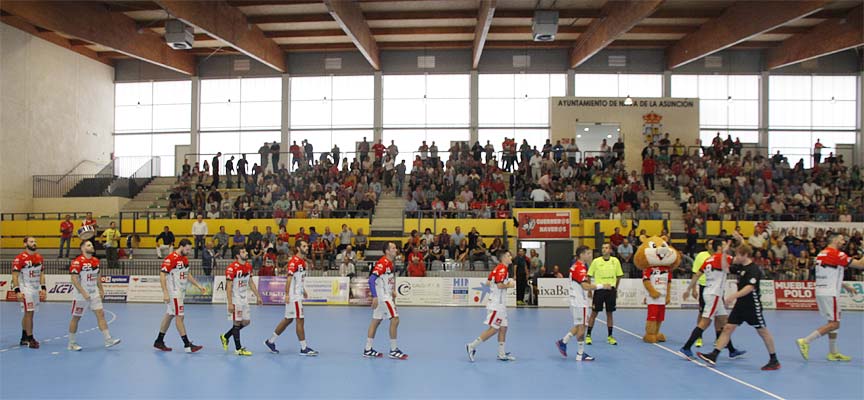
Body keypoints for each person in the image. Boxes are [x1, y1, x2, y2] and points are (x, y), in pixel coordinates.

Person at [697, 244, 780, 371]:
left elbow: (749, 287)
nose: (735, 257)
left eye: (738, 255)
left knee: (762, 331)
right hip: (740, 305)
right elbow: (726, 268)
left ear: (745, 255)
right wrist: (724, 253)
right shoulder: (741, 267)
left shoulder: (754, 269)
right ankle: (714, 355)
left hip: (752, 305)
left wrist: (733, 296)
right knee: (728, 328)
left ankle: (774, 360)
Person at [796, 233, 864, 361]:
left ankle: (833, 352)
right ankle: (805, 341)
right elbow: (861, 264)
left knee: (833, 321)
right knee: (834, 324)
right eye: (841, 238)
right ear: (834, 240)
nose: (844, 241)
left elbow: (830, 272)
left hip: (823, 291)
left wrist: (844, 286)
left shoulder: (823, 253)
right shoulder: (836, 254)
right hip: (830, 293)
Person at [679, 240, 744, 359]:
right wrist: (741, 241)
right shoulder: (722, 257)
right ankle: (686, 348)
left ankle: (731, 350)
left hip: (710, 293)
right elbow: (741, 258)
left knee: (723, 322)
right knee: (705, 322)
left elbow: (697, 274)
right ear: (719, 247)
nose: (726, 246)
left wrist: (688, 289)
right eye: (724, 244)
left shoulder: (708, 260)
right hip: (714, 294)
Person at [265, 240, 319, 356]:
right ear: (298, 248)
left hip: (297, 294)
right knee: (300, 320)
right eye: (304, 246)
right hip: (294, 297)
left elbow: (298, 279)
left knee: (288, 319)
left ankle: (270, 341)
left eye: (307, 245)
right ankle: (304, 348)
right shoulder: (294, 262)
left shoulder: (302, 262)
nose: (307, 247)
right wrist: (287, 294)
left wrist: (303, 290)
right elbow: (289, 278)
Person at [153, 239, 207, 353]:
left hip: (180, 292)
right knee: (180, 317)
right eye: (187, 249)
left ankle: (159, 340)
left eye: (190, 249)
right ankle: (187, 345)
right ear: (181, 246)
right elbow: (162, 275)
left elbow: (187, 274)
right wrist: (165, 292)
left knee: (170, 315)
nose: (189, 251)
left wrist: (198, 285)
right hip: (174, 293)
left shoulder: (185, 259)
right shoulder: (171, 258)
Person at [66, 241, 122, 351]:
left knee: (100, 314)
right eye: (88, 245)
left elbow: (98, 276)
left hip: (94, 293)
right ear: (82, 248)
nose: (91, 246)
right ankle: (71, 343)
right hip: (81, 295)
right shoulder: (77, 262)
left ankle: (108, 339)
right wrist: (83, 292)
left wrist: (101, 289)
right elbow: (74, 279)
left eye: (91, 245)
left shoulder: (95, 261)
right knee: (76, 318)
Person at [555, 246, 605, 361]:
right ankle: (580, 354)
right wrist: (602, 286)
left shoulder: (575, 265)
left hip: (575, 300)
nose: (590, 255)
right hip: (579, 302)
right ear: (581, 255)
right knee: (582, 327)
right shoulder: (580, 268)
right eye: (588, 253)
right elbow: (585, 286)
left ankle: (563, 341)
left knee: (579, 324)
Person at [466, 250, 516, 362]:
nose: (511, 258)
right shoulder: (502, 269)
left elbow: (488, 282)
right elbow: (499, 286)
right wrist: (510, 284)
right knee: (494, 329)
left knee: (503, 328)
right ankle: (472, 346)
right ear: (503, 258)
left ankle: (501, 354)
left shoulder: (497, 269)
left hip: (500, 304)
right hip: (496, 305)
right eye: (508, 256)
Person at [363, 242, 407, 359]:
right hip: (383, 297)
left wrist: (391, 290)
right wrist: (375, 296)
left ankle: (368, 349)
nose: (396, 249)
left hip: (386, 294)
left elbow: (385, 280)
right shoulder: (383, 262)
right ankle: (393, 350)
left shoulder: (390, 264)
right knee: (395, 319)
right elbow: (372, 280)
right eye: (393, 248)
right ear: (387, 251)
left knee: (376, 321)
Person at [219, 248, 262, 356]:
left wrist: (258, 296)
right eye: (243, 252)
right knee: (237, 322)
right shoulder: (231, 268)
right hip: (235, 299)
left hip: (244, 298)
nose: (247, 253)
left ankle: (225, 336)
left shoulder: (248, 266)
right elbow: (228, 287)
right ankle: (238, 349)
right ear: (237, 256)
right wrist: (230, 303)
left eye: (246, 251)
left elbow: (251, 283)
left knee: (246, 321)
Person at [585, 243, 623, 345]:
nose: (604, 250)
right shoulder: (596, 262)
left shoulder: (615, 261)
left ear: (610, 250)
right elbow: (588, 276)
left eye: (606, 248)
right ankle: (588, 335)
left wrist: (615, 288)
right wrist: (589, 290)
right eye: (602, 248)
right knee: (594, 313)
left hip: (611, 290)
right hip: (599, 290)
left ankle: (610, 336)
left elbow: (619, 276)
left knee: (609, 313)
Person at [12, 237, 46, 348]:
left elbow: (41, 274)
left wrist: (43, 288)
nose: (34, 243)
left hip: (35, 289)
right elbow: (15, 276)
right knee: (29, 313)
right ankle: (31, 339)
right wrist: (17, 290)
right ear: (25, 244)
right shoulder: (20, 258)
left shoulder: (39, 257)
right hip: (26, 289)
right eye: (31, 241)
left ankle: (23, 337)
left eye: (35, 241)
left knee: (29, 313)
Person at [689, 238, 714, 348]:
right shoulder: (701, 256)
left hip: (717, 288)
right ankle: (699, 336)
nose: (711, 245)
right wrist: (693, 289)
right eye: (710, 243)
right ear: (706, 245)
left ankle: (719, 338)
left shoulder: (720, 256)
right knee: (702, 313)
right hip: (704, 286)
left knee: (718, 315)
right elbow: (695, 272)